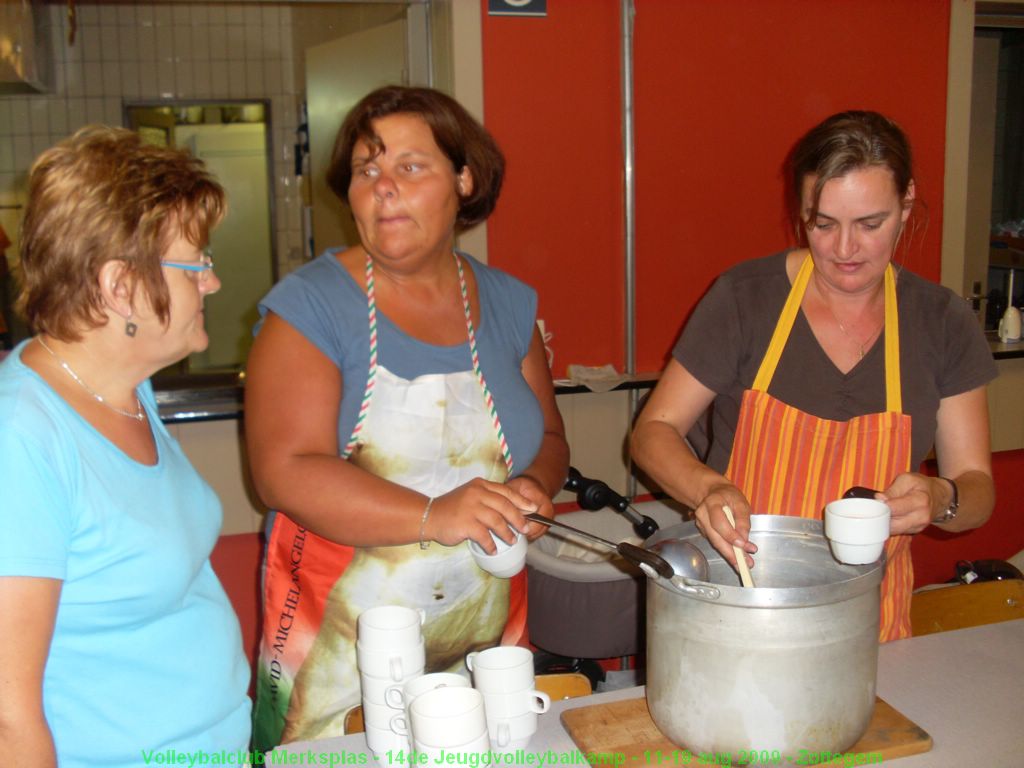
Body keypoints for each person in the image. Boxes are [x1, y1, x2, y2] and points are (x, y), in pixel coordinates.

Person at [245, 85, 569, 749]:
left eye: (409, 166)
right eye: (368, 170)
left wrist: (534, 486)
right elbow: (282, 471)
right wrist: (434, 516)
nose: (383, 187)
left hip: (483, 640)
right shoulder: (310, 308)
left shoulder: (507, 303)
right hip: (344, 656)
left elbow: (551, 437)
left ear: (464, 178)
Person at [631, 111, 997, 642]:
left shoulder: (941, 322)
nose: (844, 250)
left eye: (870, 224)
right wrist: (707, 488)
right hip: (741, 614)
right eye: (822, 224)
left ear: (907, 204)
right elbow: (651, 433)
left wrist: (941, 497)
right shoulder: (745, 299)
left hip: (869, 632)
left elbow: (977, 491)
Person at [0, 127, 252, 767]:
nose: (213, 283)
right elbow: (9, 717)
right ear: (120, 286)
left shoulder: (123, 390)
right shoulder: (21, 436)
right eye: (198, 265)